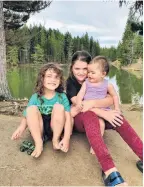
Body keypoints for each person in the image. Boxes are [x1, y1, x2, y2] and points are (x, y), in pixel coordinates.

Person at [66, 50, 143, 186]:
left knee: (118, 118)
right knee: (90, 116)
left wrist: (109, 109)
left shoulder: (101, 81)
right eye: (77, 68)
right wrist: (103, 113)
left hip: (98, 114)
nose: (82, 72)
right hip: (81, 121)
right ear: (71, 68)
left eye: (86, 68)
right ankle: (110, 171)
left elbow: (109, 99)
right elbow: (79, 105)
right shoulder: (71, 84)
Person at [12, 63, 72, 158]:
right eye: (49, 76)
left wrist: (66, 138)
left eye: (56, 77)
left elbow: (68, 118)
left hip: (55, 128)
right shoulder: (36, 96)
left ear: (60, 80)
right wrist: (21, 128)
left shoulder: (62, 96)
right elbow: (26, 115)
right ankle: (39, 142)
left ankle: (55, 140)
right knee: (31, 109)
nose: (53, 80)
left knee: (59, 107)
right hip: (40, 128)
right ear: (42, 78)